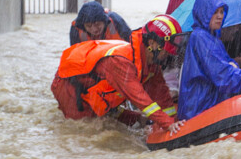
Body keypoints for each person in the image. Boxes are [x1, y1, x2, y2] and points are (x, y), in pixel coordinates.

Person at [51, 15, 185, 133]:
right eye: (166, 51)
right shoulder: (121, 62)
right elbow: (139, 97)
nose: (167, 55)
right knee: (87, 128)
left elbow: (159, 91)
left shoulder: (150, 62)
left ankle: (135, 118)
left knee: (116, 117)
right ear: (152, 44)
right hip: (69, 86)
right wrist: (167, 123)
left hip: (93, 86)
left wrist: (172, 119)